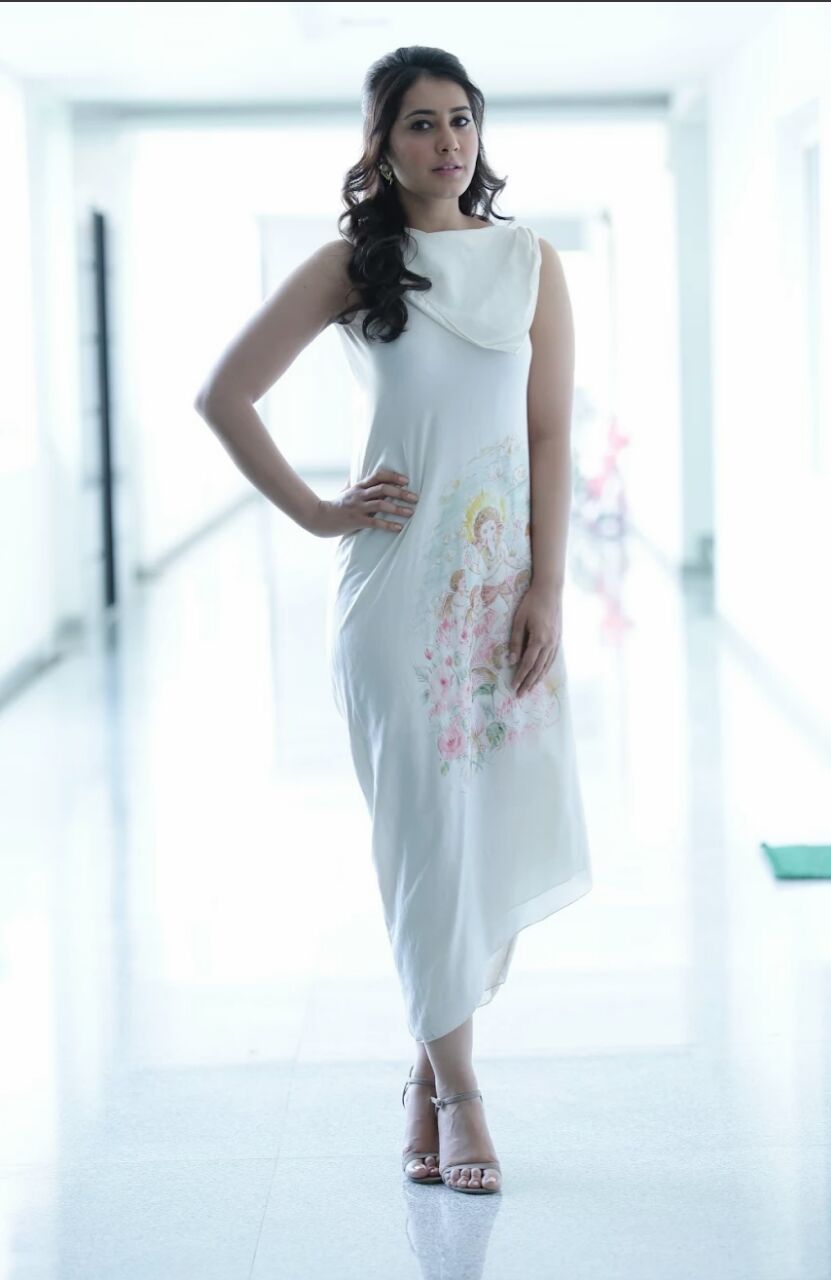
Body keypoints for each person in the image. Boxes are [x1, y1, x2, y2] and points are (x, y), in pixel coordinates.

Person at [194, 45, 593, 1197]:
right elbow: (224, 395)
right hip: (393, 602)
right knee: (423, 839)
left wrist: (546, 586)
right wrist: (322, 511)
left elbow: (549, 434)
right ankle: (462, 1092)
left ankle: (425, 1065)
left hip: (499, 595)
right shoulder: (351, 267)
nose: (447, 141)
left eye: (460, 118)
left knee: (479, 836)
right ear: (381, 145)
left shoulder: (529, 261)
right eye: (420, 123)